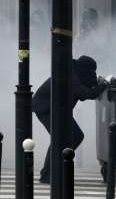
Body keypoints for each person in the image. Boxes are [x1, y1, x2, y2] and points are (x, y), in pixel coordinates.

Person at [32, 55, 107, 183]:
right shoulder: (69, 75)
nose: (92, 75)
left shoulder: (77, 72)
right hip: (46, 109)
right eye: (91, 72)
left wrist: (98, 84)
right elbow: (86, 93)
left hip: (61, 109)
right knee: (58, 139)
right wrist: (103, 85)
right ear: (84, 69)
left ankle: (62, 161)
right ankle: (47, 174)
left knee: (77, 135)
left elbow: (85, 90)